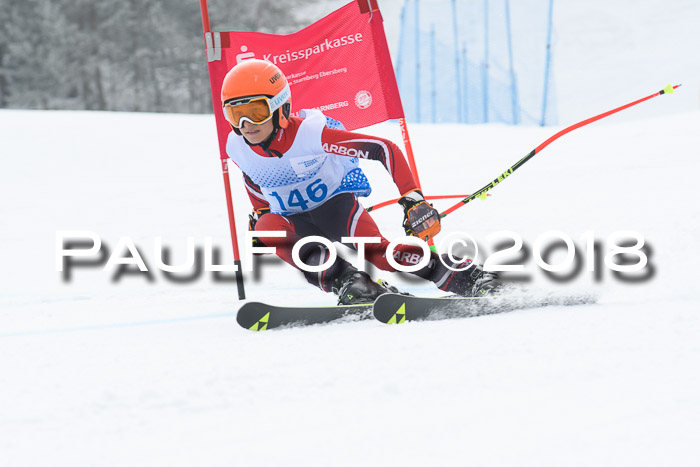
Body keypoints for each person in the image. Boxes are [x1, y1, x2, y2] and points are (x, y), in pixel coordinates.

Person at [221, 59, 498, 304]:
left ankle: (468, 276)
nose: (246, 123)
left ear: (280, 107)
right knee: (268, 226)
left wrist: (412, 199)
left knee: (383, 257)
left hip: (335, 210)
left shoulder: (310, 135)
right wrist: (260, 211)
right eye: (235, 114)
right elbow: (253, 177)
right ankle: (351, 283)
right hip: (295, 221)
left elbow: (384, 149)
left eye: (256, 111)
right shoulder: (237, 147)